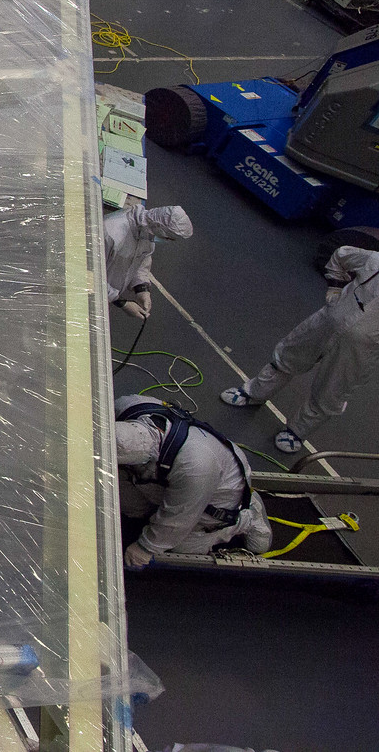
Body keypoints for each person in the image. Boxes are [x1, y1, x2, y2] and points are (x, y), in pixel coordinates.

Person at [222, 244, 379, 454]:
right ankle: (254, 392)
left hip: (361, 350)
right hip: (327, 323)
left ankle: (297, 432)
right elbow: (341, 255)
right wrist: (335, 287)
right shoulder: (373, 261)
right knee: (287, 357)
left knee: (331, 391)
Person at [115, 393, 272, 568]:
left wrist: (144, 548)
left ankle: (246, 518)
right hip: (167, 479)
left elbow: (178, 519)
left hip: (217, 498)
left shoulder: (195, 467)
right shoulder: (128, 406)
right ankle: (151, 513)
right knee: (124, 496)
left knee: (181, 546)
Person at [104, 201, 191, 320]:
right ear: (160, 228)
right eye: (167, 238)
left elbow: (140, 263)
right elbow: (89, 274)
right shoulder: (111, 232)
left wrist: (141, 289)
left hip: (105, 297)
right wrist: (120, 302)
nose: (167, 241)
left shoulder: (146, 233)